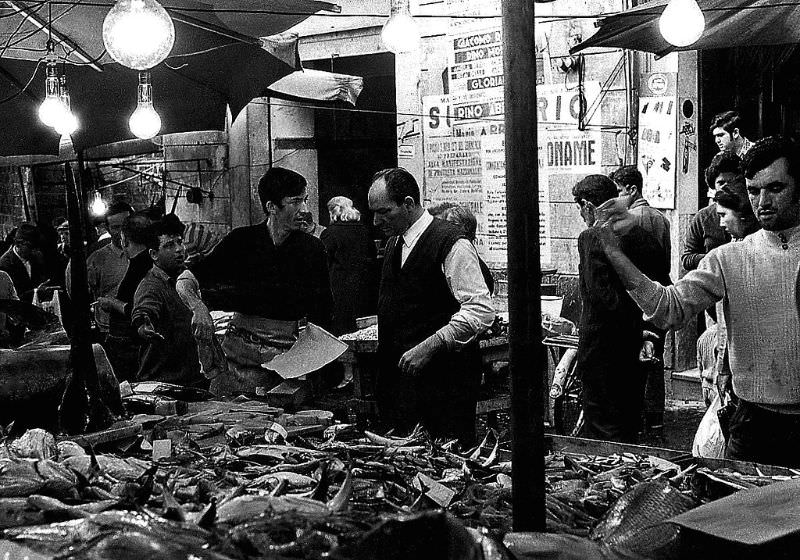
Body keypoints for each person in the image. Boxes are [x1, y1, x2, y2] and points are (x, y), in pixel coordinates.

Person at [595, 136, 800, 467]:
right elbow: (668, 308)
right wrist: (615, 253)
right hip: (753, 426)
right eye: (753, 190)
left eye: (775, 188)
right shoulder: (729, 258)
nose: (762, 201)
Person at [368, 168, 494, 446]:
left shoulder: (452, 243)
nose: (376, 221)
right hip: (401, 388)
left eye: (384, 212)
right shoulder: (394, 242)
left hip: (444, 387)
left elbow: (480, 310)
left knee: (446, 462)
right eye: (373, 213)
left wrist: (432, 345)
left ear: (408, 204)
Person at [192, 167, 333, 394]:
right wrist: (198, 307)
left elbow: (323, 313)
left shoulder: (312, 249)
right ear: (271, 207)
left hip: (286, 362)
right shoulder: (241, 241)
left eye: (305, 200)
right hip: (237, 361)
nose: (305, 210)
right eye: (295, 202)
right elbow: (187, 280)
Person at [572, 175, 666, 443]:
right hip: (637, 347)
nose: (581, 215)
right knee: (628, 424)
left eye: (580, 208)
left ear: (588, 206)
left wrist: (632, 329)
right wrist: (645, 332)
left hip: (603, 348)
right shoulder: (641, 233)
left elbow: (601, 297)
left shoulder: (591, 236)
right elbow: (661, 286)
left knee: (603, 431)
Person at [609, 165, 672, 434]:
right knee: (655, 356)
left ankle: (637, 416)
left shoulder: (630, 220)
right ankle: (656, 417)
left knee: (636, 357)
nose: (615, 199)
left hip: (638, 298)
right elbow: (665, 261)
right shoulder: (661, 219)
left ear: (632, 190)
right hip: (660, 294)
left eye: (619, 192)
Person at [131, 214, 206, 388]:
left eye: (179, 242)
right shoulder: (151, 286)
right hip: (164, 383)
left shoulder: (187, 278)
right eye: (169, 245)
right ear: (154, 254)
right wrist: (143, 325)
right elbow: (144, 309)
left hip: (192, 378)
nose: (179, 249)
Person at [97, 211, 154, 382]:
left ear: (125, 240)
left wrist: (112, 303)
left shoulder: (142, 266)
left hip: (133, 348)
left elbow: (140, 311)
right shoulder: (144, 261)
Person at [66, 201, 133, 337]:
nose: (122, 232)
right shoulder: (96, 259)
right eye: (116, 227)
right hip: (110, 331)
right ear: (108, 229)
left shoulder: (148, 253)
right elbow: (78, 293)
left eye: (125, 226)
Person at [319, 196, 377, 335]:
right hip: (365, 289)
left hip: (339, 291)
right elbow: (373, 255)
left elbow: (323, 263)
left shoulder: (330, 233)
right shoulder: (364, 231)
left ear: (333, 212)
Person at [681, 152, 737, 272]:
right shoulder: (703, 217)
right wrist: (715, 259)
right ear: (714, 186)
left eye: (731, 182)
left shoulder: (750, 214)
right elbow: (687, 258)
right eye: (721, 183)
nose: (726, 187)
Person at [440, 205, 495, 295]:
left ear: (466, 228)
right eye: (445, 225)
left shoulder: (463, 254)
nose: (446, 230)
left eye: (452, 224)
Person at [0, 223, 44, 304]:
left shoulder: (35, 258)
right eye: (30, 247)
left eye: (36, 247)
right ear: (19, 244)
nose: (34, 251)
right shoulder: (5, 264)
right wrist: (36, 292)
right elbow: (12, 297)